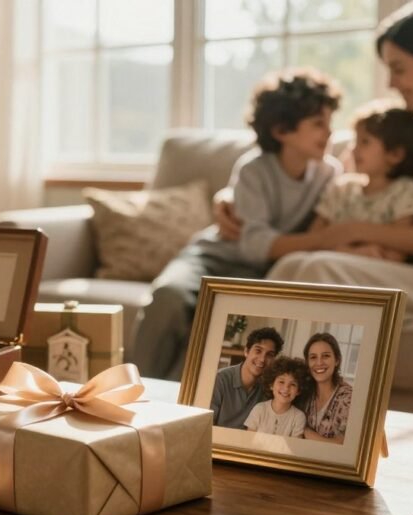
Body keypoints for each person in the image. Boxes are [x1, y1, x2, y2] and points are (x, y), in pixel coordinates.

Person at [216, 3, 413, 320]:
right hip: (400, 268)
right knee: (291, 264)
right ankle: (250, 368)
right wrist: (232, 195)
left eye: (399, 68)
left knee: (317, 269)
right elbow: (344, 181)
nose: (392, 83)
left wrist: (352, 231)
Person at [134, 69, 343, 380]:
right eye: (318, 124)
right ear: (282, 130)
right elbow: (254, 244)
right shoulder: (254, 170)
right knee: (168, 296)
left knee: (220, 325)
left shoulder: (330, 174)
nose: (329, 132)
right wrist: (325, 239)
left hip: (255, 273)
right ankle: (136, 388)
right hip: (212, 258)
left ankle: (182, 404)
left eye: (329, 122)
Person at [309, 103, 413, 262]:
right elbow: (313, 239)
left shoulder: (406, 191)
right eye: (355, 141)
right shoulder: (341, 188)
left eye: (365, 142)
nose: (354, 149)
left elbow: (396, 255)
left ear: (395, 154)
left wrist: (346, 253)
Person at [210, 326, 284, 429]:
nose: (262, 359)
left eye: (269, 355)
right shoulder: (219, 380)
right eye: (258, 351)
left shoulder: (269, 388)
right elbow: (206, 424)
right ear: (246, 351)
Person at [298, 332, 352, 444]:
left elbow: (345, 445)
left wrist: (305, 431)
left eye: (326, 356)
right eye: (313, 357)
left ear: (337, 360)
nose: (319, 363)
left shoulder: (349, 398)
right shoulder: (302, 391)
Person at [243, 355, 310, 438]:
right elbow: (248, 440)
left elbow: (295, 448)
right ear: (271, 384)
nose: (286, 388)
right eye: (281, 382)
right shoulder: (259, 409)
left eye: (293, 384)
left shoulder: (298, 417)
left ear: (299, 390)